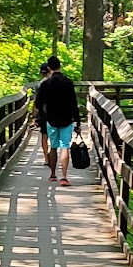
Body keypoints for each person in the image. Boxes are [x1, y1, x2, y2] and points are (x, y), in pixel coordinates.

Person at [36, 57, 79, 187]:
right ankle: (64, 177)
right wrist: (77, 121)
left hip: (51, 119)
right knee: (65, 146)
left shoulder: (46, 84)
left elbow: (38, 103)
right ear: (60, 66)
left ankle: (53, 174)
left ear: (49, 68)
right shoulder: (68, 82)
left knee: (53, 146)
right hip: (67, 119)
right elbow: (74, 103)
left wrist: (45, 111)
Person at [31, 56, 57, 165]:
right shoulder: (55, 83)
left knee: (44, 135)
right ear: (50, 70)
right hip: (54, 113)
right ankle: (53, 156)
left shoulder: (38, 85)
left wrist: (34, 117)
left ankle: (46, 158)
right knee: (54, 136)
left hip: (43, 113)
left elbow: (36, 102)